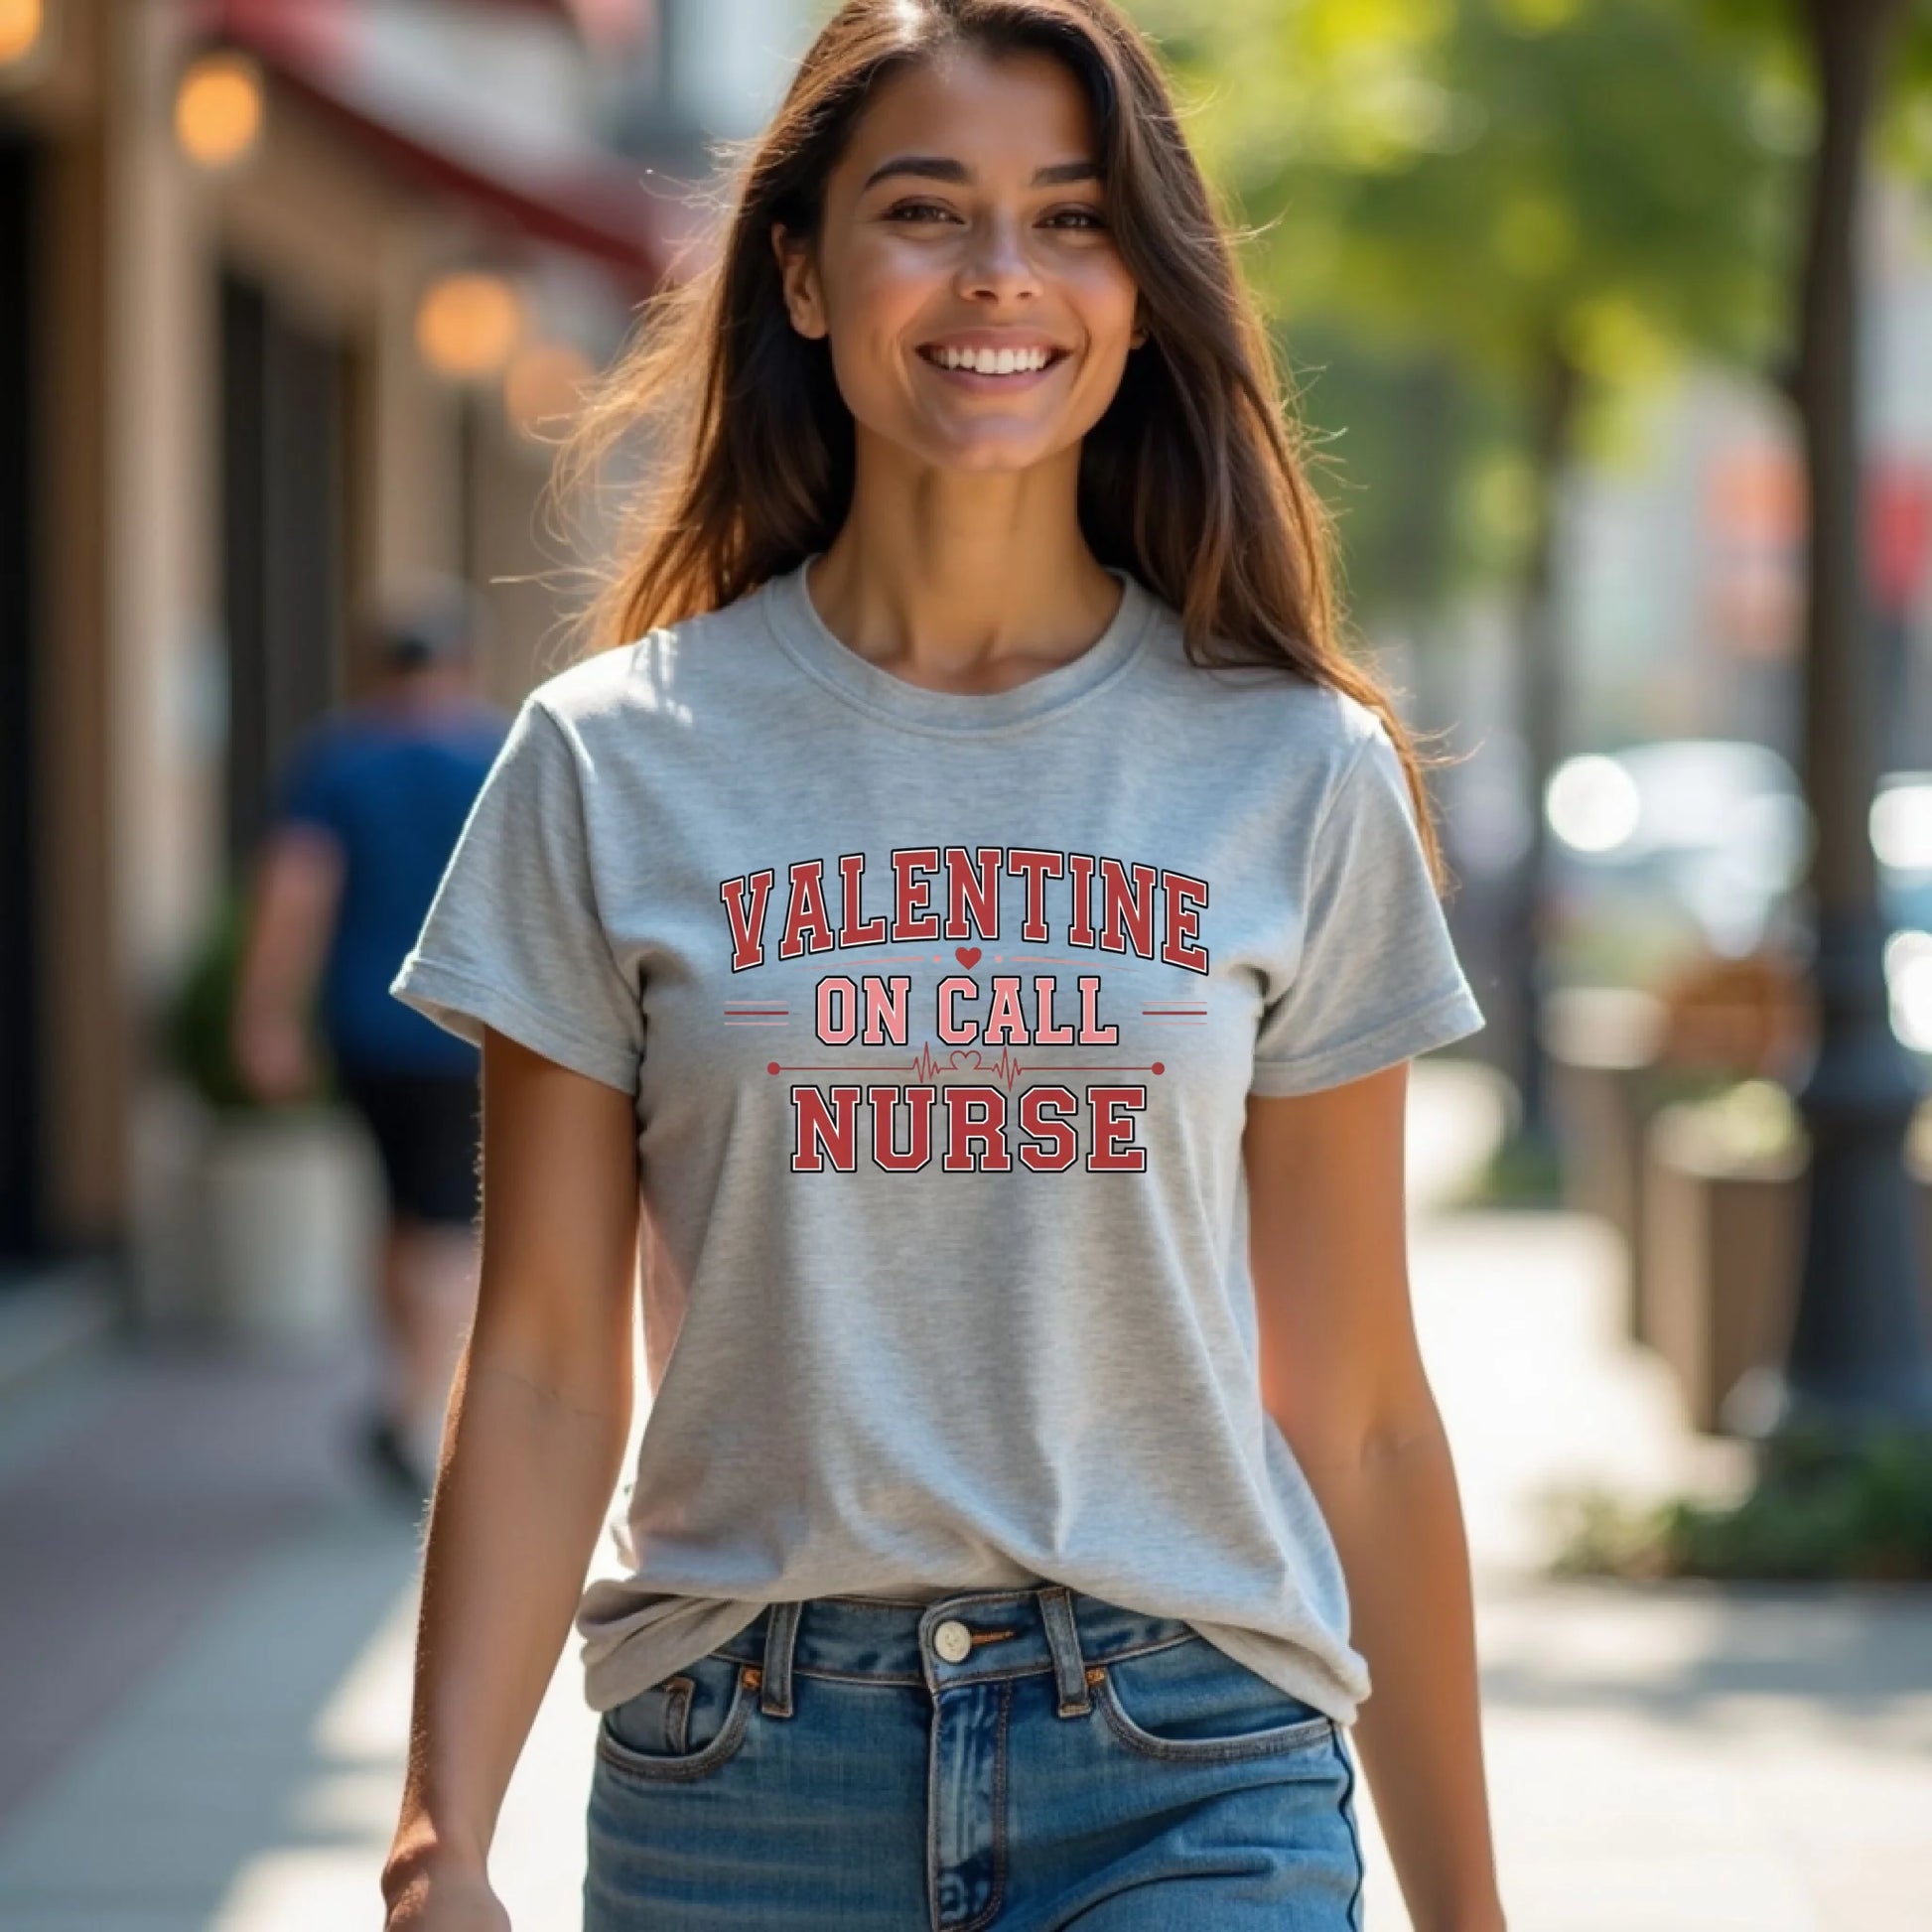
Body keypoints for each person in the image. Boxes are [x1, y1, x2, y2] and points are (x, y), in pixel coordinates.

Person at [379, 4, 1507, 1928]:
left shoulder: (1291, 767)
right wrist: (439, 1837)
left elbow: (1365, 1401)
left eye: (1073, 220)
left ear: (1143, 294)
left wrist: (1467, 1914)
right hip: (740, 1769)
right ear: (803, 275)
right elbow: (550, 1361)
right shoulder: (610, 759)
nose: (1003, 275)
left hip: (1187, 1753)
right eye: (928, 209)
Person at [232, 578, 510, 1507]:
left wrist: (266, 1016)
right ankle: (416, 1408)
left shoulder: (337, 761)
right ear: (462, 661)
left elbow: (294, 894)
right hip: (475, 1024)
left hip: (367, 1024)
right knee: (445, 1219)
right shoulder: (500, 751)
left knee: (401, 1209)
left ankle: (412, 1396)